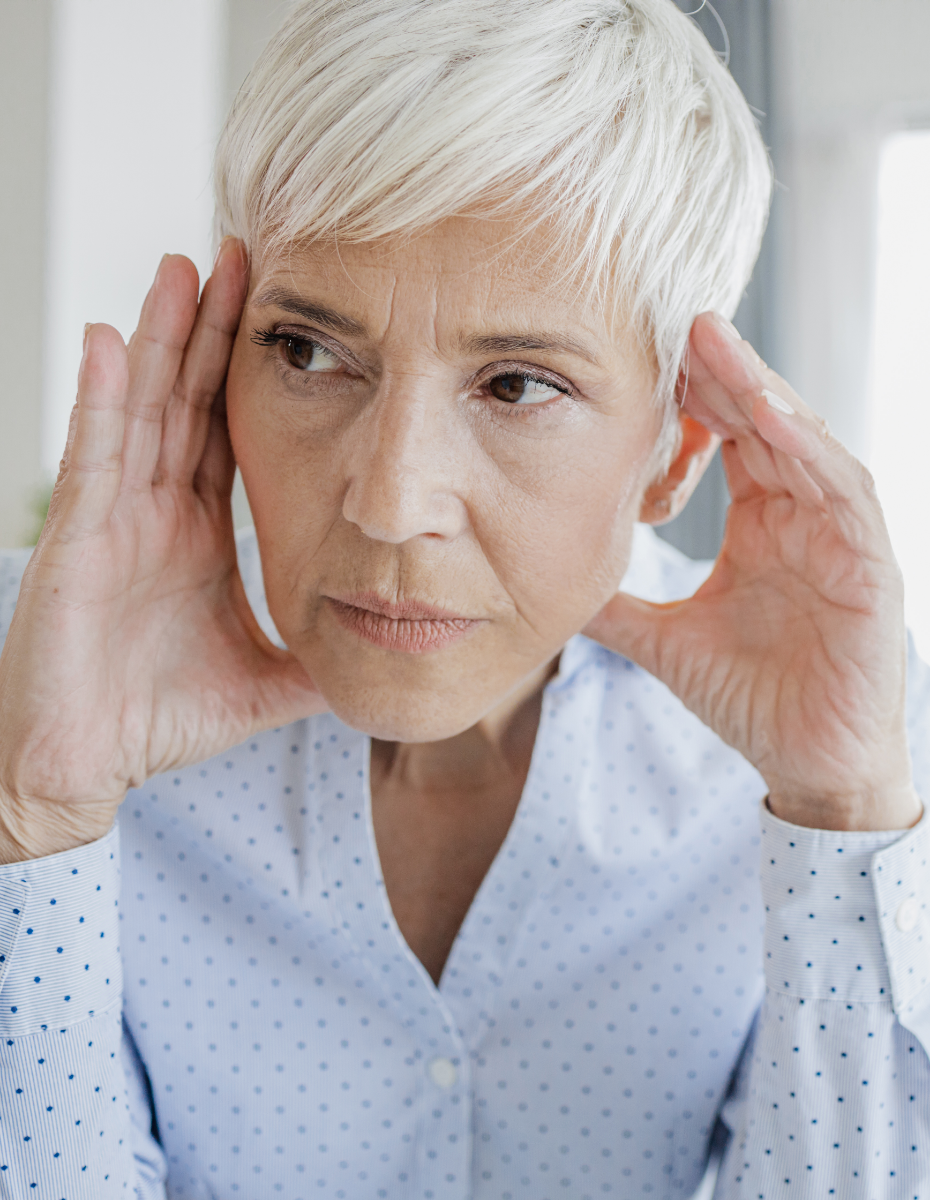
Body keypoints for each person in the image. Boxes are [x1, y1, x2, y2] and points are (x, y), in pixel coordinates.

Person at [0, 0, 927, 1195]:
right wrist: (37, 826)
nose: (390, 503)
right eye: (307, 352)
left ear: (678, 448)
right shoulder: (39, 676)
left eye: (517, 383)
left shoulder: (833, 747)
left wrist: (842, 818)